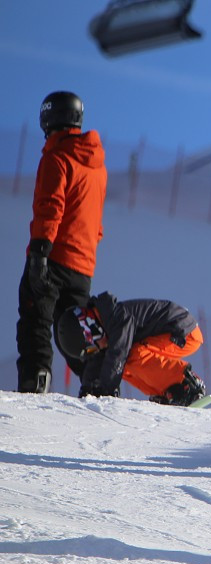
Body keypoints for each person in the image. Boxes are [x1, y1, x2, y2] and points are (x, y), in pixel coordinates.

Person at [16, 91, 107, 393]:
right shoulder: (98, 166)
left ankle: (36, 380)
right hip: (83, 266)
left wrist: (40, 252)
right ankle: (100, 383)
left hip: (53, 256)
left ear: (49, 117)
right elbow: (95, 220)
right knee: (75, 333)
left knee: (35, 319)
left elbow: (50, 206)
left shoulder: (57, 157)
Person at [55, 292, 208, 406]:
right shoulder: (107, 327)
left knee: (128, 357)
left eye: (90, 347)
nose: (96, 349)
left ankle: (187, 385)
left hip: (183, 332)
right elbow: (100, 362)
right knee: (124, 365)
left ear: (89, 327)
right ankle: (168, 392)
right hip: (173, 333)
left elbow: (117, 354)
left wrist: (107, 390)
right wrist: (89, 389)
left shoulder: (118, 317)